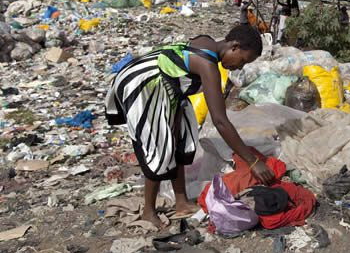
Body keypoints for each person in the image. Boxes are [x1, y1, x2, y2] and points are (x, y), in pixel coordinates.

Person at [105, 25, 275, 229]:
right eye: (243, 60)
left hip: (168, 87)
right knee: (159, 146)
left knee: (180, 139)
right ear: (234, 47)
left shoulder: (208, 43)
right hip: (145, 84)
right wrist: (252, 161)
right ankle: (148, 211)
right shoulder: (207, 64)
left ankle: (181, 202)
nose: (239, 67)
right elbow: (220, 120)